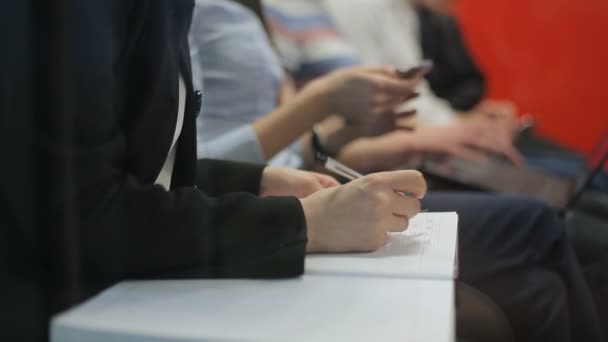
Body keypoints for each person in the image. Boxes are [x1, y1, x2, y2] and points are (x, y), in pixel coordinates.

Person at [0, 1, 428, 341]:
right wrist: (304, 222)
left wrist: (252, 182)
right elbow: (78, 215)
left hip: (129, 273)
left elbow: (141, 171)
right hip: (67, 305)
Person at [189, 1, 604, 341]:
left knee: (539, 278)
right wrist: (323, 103)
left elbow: (301, 144)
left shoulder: (248, 11)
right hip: (279, 196)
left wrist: (358, 128)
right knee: (537, 228)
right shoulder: (199, 15)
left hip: (309, 176)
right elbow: (191, 163)